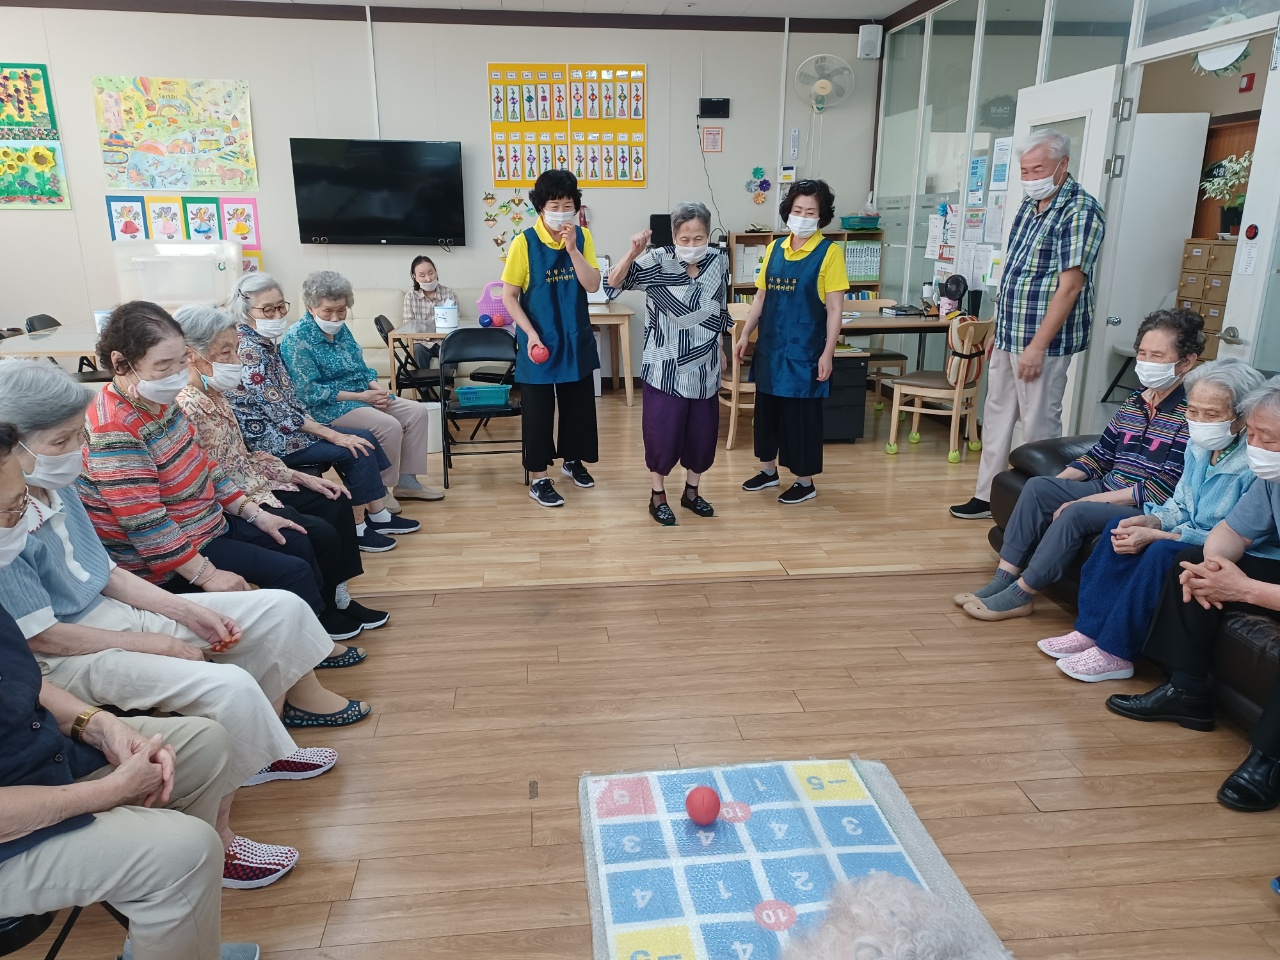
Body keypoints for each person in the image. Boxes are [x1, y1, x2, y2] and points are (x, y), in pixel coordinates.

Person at [0, 408, 347, 893]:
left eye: (79, 435)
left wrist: (187, 613)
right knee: (226, 686)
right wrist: (160, 639)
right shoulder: (9, 520)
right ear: (18, 447)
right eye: (63, 440)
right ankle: (221, 839)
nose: (80, 449)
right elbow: (44, 637)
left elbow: (107, 573)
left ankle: (264, 749)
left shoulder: (55, 487)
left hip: (108, 614)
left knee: (278, 609)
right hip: (65, 652)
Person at [76, 306, 367, 655]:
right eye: (163, 366)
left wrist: (255, 514)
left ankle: (311, 636)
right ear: (122, 363)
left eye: (180, 362)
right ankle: (310, 652)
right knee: (292, 570)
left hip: (205, 524)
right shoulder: (115, 427)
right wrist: (207, 575)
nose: (176, 375)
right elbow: (146, 524)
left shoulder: (158, 402)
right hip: (171, 551)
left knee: (295, 539)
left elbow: (206, 465)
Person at [0, 582, 258, 959]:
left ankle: (169, 934)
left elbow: (22, 682)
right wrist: (112, 790)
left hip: (35, 761)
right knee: (186, 852)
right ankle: (171, 894)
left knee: (203, 744)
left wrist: (100, 725)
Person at [1106, 375, 1280, 812]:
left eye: (1268, 438)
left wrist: (1246, 589)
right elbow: (1233, 531)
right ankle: (1186, 692)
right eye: (1251, 434)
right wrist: (1214, 566)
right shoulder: (1272, 478)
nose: (1255, 446)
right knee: (1191, 561)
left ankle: (1268, 760)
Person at [958, 309, 1200, 621]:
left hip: (1148, 506)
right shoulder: (1134, 401)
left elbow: (1164, 486)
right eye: (1142, 353)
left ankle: (1022, 594)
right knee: (1038, 487)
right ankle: (1003, 578)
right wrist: (1060, 484)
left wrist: (1088, 500)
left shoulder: (1191, 414)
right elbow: (1100, 455)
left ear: (1186, 362)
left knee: (1076, 511)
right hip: (1110, 486)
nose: (1146, 362)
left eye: (1158, 356)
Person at [1040, 359, 1274, 681]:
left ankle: (1116, 652)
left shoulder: (1258, 462)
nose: (1198, 422)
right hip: (1191, 533)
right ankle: (1089, 631)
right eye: (1192, 411)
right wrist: (1153, 522)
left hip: (1239, 550)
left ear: (1241, 417)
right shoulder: (1198, 446)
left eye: (1212, 414)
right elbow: (1181, 504)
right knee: (1120, 527)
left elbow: (1242, 534)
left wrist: (1165, 536)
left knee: (1163, 552)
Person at [174, 303, 388, 640]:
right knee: (312, 532)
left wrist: (298, 476)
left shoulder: (215, 394)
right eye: (225, 353)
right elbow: (210, 476)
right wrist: (258, 506)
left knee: (335, 500)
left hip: (257, 482)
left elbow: (244, 457)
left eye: (235, 350)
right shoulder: (186, 406)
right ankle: (317, 616)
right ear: (191, 355)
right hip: (235, 502)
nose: (235, 361)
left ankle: (338, 598)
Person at [950, 129, 1106, 521]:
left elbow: (1070, 287)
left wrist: (1037, 346)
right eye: (1025, 170)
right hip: (1010, 333)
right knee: (997, 414)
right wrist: (996, 330)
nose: (1031, 177)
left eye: (1038, 169)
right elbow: (1014, 275)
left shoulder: (1080, 210)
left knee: (1038, 426)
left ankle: (1039, 506)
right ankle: (988, 496)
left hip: (1043, 341)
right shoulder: (1029, 204)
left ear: (1063, 164)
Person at [226, 272, 418, 550]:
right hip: (274, 439)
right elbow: (283, 414)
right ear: (246, 310)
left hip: (291, 427)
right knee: (357, 446)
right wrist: (333, 435)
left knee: (362, 439)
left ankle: (379, 515)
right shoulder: (249, 350)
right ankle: (358, 528)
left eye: (280, 307)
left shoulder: (264, 342)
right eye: (268, 309)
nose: (277, 315)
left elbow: (289, 401)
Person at [606, 201, 730, 524]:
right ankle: (657, 495)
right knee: (662, 433)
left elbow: (720, 306)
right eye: (685, 239)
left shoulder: (719, 260)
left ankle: (692, 493)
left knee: (702, 436)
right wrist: (633, 252)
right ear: (674, 236)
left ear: (708, 235)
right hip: (665, 367)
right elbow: (613, 283)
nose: (692, 244)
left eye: (699, 238)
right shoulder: (658, 260)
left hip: (705, 367)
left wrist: (721, 346)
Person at [281, 270, 442, 509]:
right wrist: (363, 396)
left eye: (341, 310)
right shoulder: (297, 338)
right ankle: (379, 490)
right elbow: (309, 392)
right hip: (327, 407)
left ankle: (408, 482)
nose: (336, 317)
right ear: (311, 308)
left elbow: (361, 369)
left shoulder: (341, 330)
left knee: (416, 412)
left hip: (361, 397)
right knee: (388, 425)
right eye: (328, 311)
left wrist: (379, 392)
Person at [733, 179, 848, 504]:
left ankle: (804, 480)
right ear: (788, 212)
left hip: (806, 350)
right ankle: (768, 471)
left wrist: (828, 353)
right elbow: (760, 297)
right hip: (771, 348)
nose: (803, 216)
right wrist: (745, 334)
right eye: (798, 210)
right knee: (767, 412)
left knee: (801, 416)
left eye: (811, 212)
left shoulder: (830, 253)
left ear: (821, 216)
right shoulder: (775, 248)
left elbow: (835, 309)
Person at [502, 169, 602, 508]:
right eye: (554, 205)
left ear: (576, 206)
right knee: (539, 412)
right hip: (539, 341)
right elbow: (509, 296)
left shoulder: (583, 238)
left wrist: (572, 250)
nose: (561, 211)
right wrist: (530, 335)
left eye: (567, 204)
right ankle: (538, 478)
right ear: (541, 207)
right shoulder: (524, 242)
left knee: (578, 406)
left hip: (574, 336)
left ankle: (573, 462)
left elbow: (592, 285)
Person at [401, 254, 457, 334]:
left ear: (436, 272)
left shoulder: (449, 294)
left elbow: (455, 324)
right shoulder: (410, 297)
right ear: (415, 277)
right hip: (419, 340)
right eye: (422, 275)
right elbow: (408, 327)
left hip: (444, 339)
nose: (428, 279)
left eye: (431, 273)